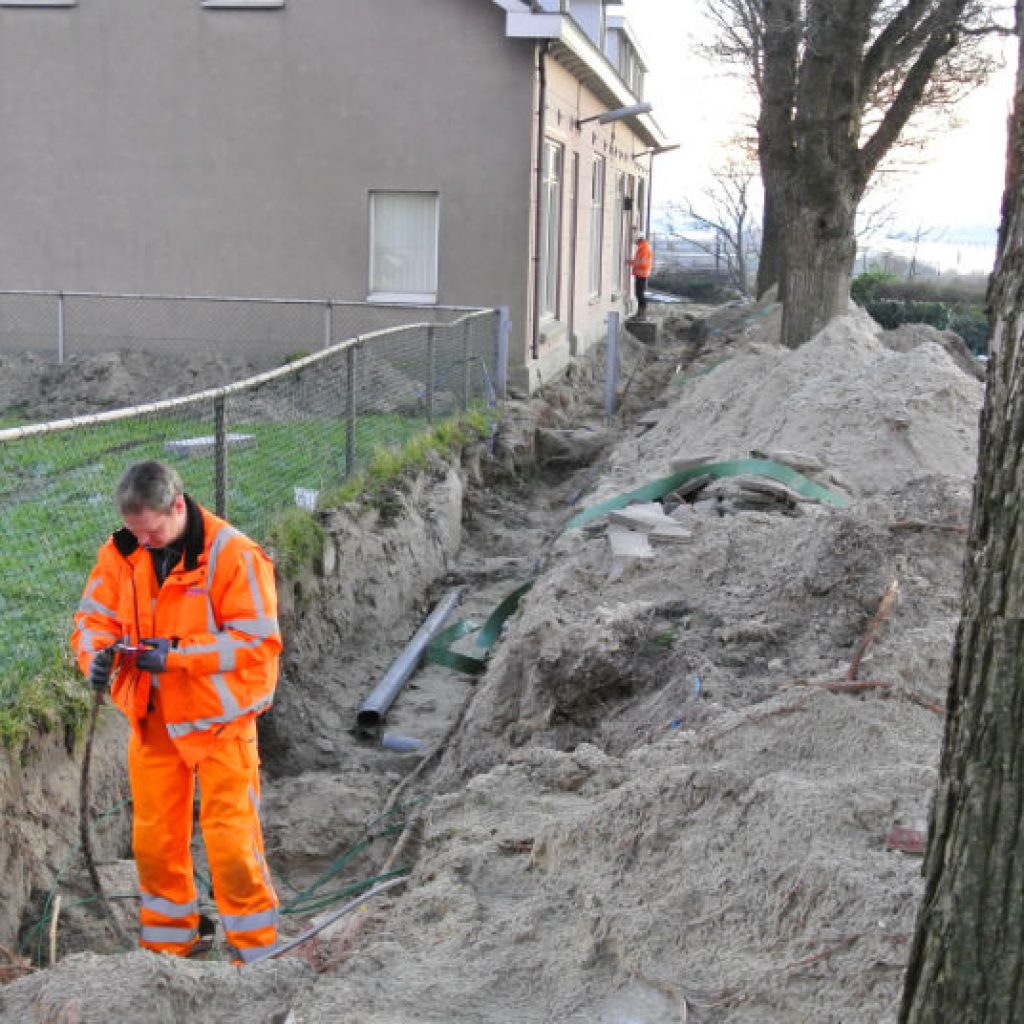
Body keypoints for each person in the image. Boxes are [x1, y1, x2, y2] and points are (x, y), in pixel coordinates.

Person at [72, 459, 282, 964]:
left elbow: (258, 640)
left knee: (232, 843)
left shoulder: (233, 556)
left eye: (152, 531)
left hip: (220, 724)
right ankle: (168, 950)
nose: (143, 542)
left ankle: (256, 955)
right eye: (134, 532)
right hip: (153, 719)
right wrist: (95, 659)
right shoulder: (121, 551)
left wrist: (179, 656)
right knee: (155, 842)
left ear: (178, 507)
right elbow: (91, 619)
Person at [626, 233, 654, 318]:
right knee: (639, 293)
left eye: (636, 242)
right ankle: (641, 312)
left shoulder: (644, 249)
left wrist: (631, 262)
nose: (636, 243)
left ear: (640, 240)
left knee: (640, 294)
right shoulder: (643, 248)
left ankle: (642, 313)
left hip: (642, 274)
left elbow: (642, 263)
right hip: (641, 273)